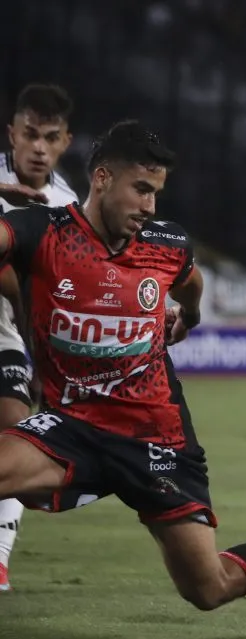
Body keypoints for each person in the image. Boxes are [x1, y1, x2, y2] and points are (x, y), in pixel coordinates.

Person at [0, 120, 246, 614]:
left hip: (155, 435)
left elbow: (191, 284)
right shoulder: (42, 232)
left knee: (208, 588)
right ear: (102, 178)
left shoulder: (167, 244)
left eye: (156, 193)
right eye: (141, 189)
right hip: (74, 426)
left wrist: (186, 318)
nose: (149, 206)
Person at [0, 83, 80, 592]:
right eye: (30, 135)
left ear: (66, 141)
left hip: (7, 327)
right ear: (12, 133)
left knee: (15, 434)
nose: (39, 148)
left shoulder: (68, 203)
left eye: (50, 138)